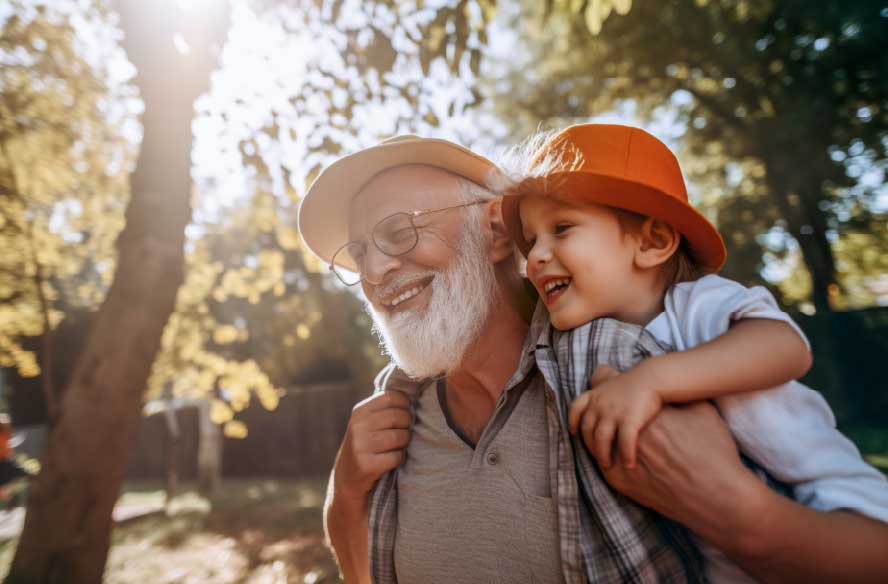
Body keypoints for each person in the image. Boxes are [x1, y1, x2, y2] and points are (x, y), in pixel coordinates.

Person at [297, 134, 888, 583]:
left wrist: (746, 519)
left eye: (400, 232)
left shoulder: (628, 360)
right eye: (359, 253)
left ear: (498, 234)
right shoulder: (388, 413)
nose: (374, 272)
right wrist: (344, 497)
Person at [497, 123, 888, 582]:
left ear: (652, 242)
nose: (535, 257)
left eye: (561, 229)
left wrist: (652, 379)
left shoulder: (697, 302)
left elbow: (786, 348)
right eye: (530, 240)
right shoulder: (587, 342)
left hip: (832, 507)